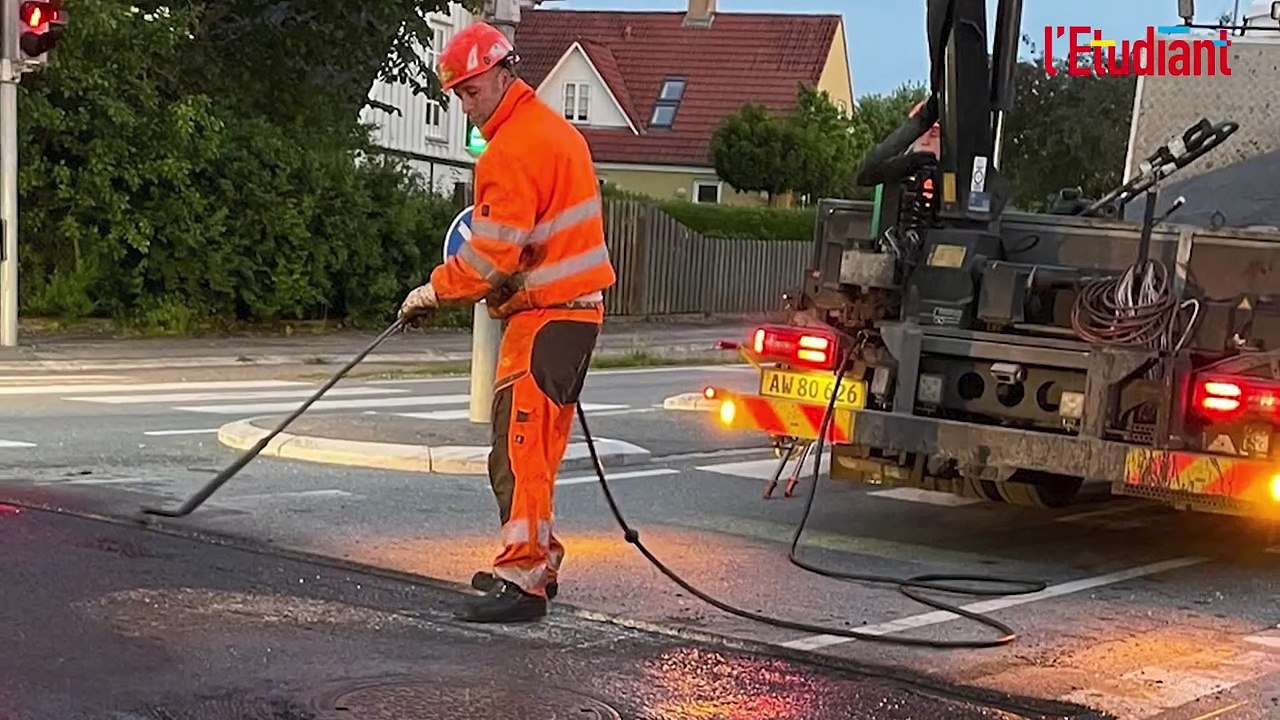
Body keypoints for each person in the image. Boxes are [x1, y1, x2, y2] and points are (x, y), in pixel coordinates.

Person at [397, 21, 616, 624]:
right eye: (460, 94)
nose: (468, 104)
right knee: (537, 452)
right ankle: (538, 563)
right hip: (575, 317)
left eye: (473, 90)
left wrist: (431, 291)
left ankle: (521, 582)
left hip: (545, 318)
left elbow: (490, 256)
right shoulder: (556, 133)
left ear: (503, 72)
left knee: (517, 453)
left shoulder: (513, 148)